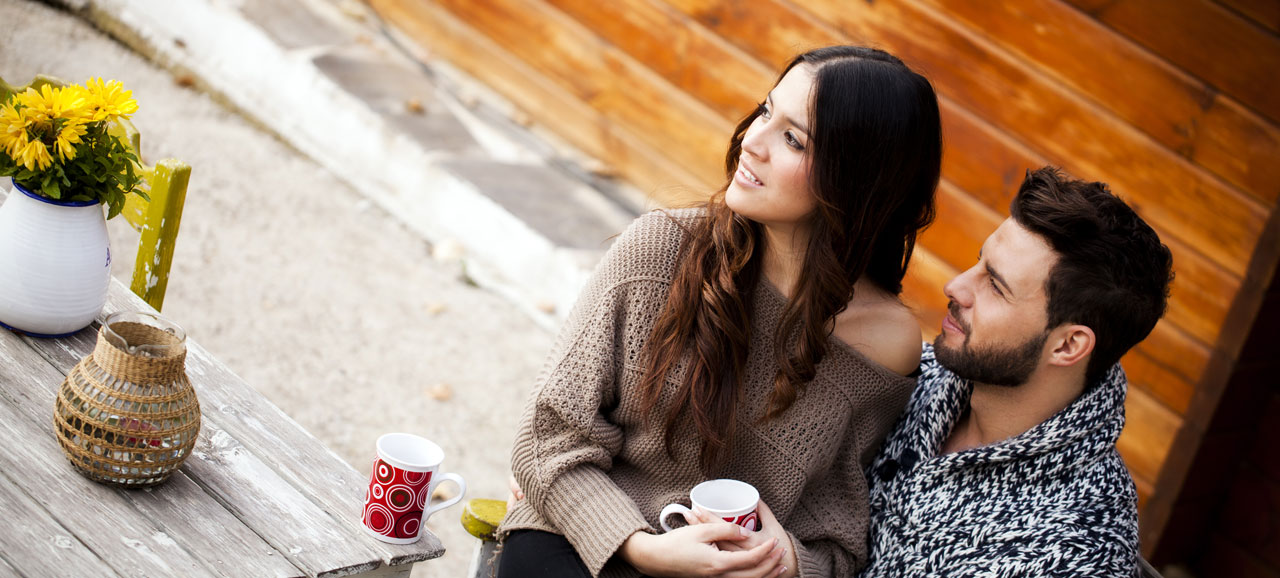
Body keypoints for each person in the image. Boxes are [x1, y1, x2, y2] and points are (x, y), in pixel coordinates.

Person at [496, 46, 943, 578]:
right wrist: (641, 548)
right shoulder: (660, 250)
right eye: (765, 112)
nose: (752, 141)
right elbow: (548, 440)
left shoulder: (886, 342)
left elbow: (839, 542)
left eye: (793, 139)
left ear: (856, 182)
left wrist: (788, 564)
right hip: (587, 542)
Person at [859, 167, 1173, 577]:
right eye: (979, 263)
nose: (955, 287)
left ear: (1067, 345)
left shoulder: (1077, 552)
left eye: (996, 285)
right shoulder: (911, 376)